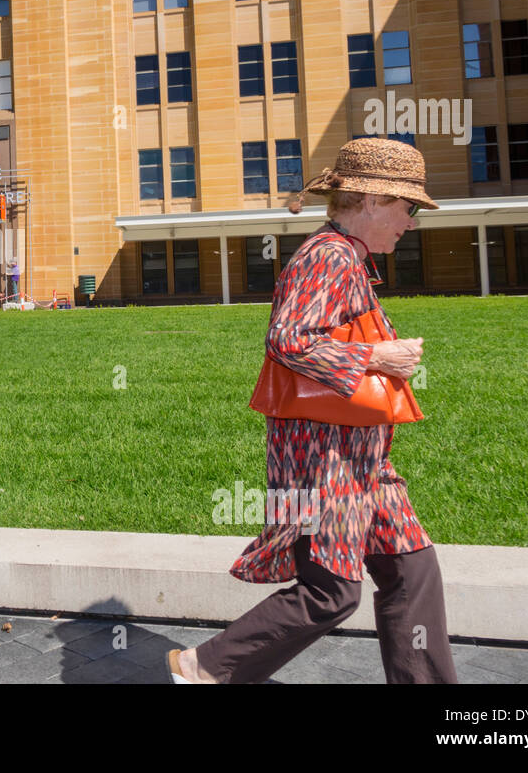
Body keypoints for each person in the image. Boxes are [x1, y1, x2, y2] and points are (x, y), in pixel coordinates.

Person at [168, 137, 457, 685]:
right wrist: (378, 354)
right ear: (371, 200)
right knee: (330, 592)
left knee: (412, 571)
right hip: (326, 457)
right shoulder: (329, 255)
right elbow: (289, 340)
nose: (412, 222)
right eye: (408, 207)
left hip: (360, 457)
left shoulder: (348, 255)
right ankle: (203, 666)